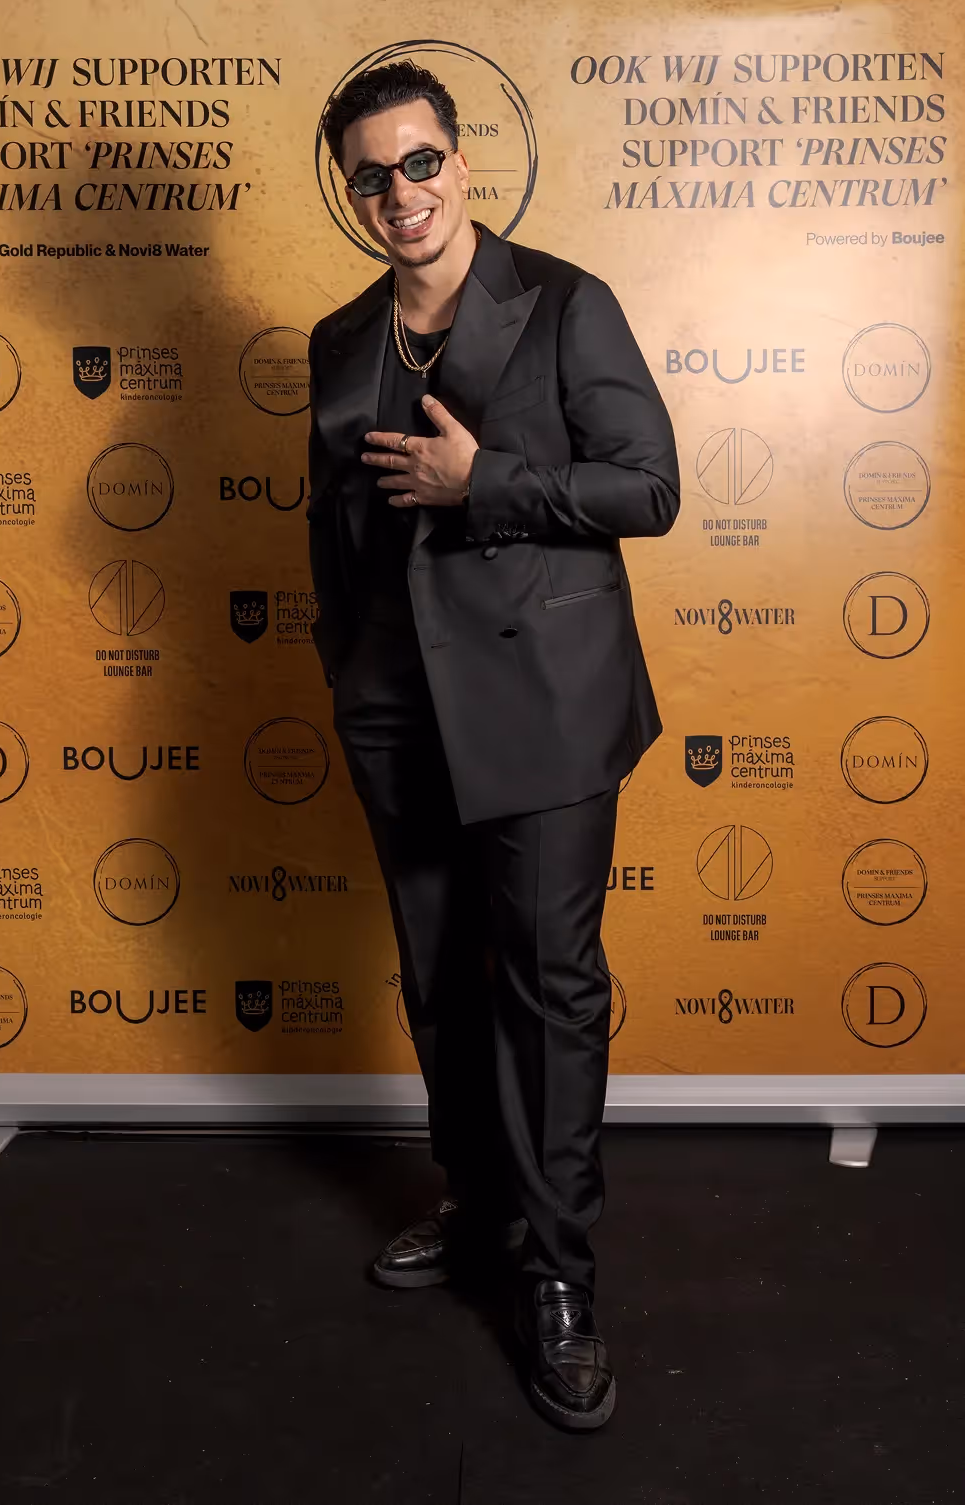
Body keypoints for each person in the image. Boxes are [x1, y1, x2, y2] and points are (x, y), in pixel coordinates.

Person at [307, 61, 679, 1432]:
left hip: (542, 707)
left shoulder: (565, 303)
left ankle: (558, 1271)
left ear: (460, 163)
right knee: (438, 983)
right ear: (350, 193)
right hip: (397, 710)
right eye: (370, 175)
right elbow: (332, 525)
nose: (399, 193)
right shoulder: (341, 338)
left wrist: (489, 483)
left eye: (419, 162)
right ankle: (478, 1208)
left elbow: (650, 486)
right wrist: (348, 673)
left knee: (547, 989)